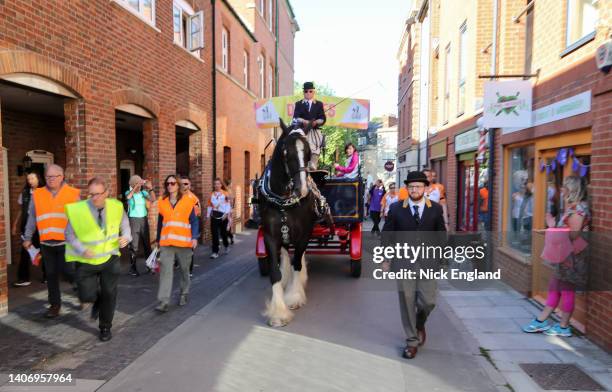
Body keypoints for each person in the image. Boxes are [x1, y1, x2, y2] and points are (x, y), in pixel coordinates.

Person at [382, 171, 446, 359]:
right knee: (407, 301)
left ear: (425, 188)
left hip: (428, 262)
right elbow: (388, 235)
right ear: (407, 189)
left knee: (429, 301)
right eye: (411, 187)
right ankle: (411, 341)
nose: (414, 190)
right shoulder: (396, 209)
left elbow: (441, 234)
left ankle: (419, 324)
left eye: (418, 186)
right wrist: (386, 258)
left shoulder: (434, 208)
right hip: (403, 263)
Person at [65, 177, 131, 341]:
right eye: (91, 194)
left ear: (106, 193)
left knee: (109, 293)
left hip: (110, 257)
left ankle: (105, 327)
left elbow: (125, 224)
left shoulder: (116, 206)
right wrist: (82, 249)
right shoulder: (79, 210)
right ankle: (95, 299)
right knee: (86, 295)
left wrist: (127, 237)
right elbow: (69, 234)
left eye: (98, 194)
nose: (94, 198)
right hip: (87, 259)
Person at [522, 176, 589, 338]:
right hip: (566, 255)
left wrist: (551, 227)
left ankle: (564, 326)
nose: (561, 189)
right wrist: (548, 230)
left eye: (564, 186)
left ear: (572, 189)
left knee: (566, 290)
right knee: (554, 286)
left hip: (572, 257)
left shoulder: (578, 209)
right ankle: (542, 320)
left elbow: (572, 235)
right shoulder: (574, 207)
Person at [23, 164, 80, 318]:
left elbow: (79, 219)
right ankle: (55, 305)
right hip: (46, 243)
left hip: (66, 242)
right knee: (51, 275)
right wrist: (28, 237)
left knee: (68, 272)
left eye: (54, 176)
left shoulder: (73, 194)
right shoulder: (37, 194)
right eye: (48, 176)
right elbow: (32, 218)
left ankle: (82, 290)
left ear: (62, 177)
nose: (51, 179)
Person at [154, 175, 200, 312]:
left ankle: (184, 293)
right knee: (165, 272)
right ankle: (163, 301)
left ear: (178, 185)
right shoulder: (162, 202)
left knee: (185, 271)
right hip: (166, 243)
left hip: (184, 243)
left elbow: (194, 221)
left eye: (173, 183)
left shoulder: (188, 201)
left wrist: (194, 237)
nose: (170, 185)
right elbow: (160, 223)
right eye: (167, 183)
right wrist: (157, 240)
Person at [12, 172, 45, 286]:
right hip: (27, 227)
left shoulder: (45, 192)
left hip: (42, 227)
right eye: (28, 179)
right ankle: (24, 278)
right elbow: (21, 210)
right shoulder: (25, 193)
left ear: (38, 179)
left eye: (32, 178)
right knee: (25, 252)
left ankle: (47, 276)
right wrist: (15, 224)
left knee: (44, 251)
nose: (30, 181)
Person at [125, 175, 156, 276]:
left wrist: (150, 188)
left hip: (143, 220)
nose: (140, 186)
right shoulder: (129, 193)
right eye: (137, 183)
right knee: (134, 246)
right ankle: (133, 269)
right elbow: (128, 197)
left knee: (147, 244)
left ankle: (150, 266)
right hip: (133, 220)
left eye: (140, 184)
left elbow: (153, 199)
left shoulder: (143, 193)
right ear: (133, 184)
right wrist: (135, 187)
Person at [292, 81, 326, 170]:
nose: (308, 93)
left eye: (310, 91)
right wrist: (304, 121)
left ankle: (313, 163)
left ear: (313, 92)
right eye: (306, 91)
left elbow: (322, 118)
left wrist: (316, 122)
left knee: (317, 141)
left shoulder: (319, 104)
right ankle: (302, 164)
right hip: (303, 130)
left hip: (314, 130)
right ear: (303, 92)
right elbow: (296, 117)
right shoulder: (298, 104)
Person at [179, 175, 201, 277]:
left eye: (186, 183)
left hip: (188, 228)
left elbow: (196, 217)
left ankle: (189, 271)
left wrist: (194, 235)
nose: (184, 185)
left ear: (190, 185)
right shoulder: (177, 196)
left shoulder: (194, 199)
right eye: (182, 183)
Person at [206, 178, 231, 259]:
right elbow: (209, 206)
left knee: (224, 234)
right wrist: (208, 216)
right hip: (214, 216)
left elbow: (228, 205)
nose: (216, 185)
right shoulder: (211, 194)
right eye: (215, 184)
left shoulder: (225, 194)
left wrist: (226, 214)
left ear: (221, 185)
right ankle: (215, 252)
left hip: (223, 216)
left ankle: (226, 245)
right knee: (214, 234)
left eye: (218, 184)